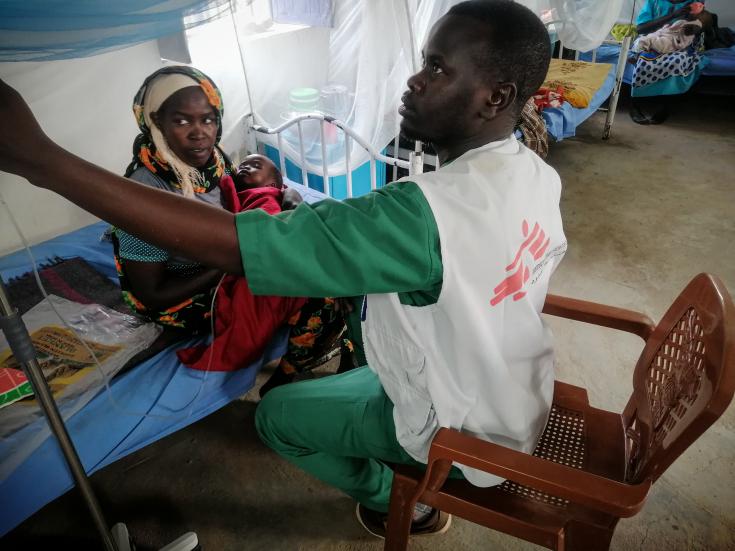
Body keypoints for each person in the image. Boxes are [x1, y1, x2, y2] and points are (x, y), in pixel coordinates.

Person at [0, 0, 565, 539]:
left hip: (462, 427)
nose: (414, 80)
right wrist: (279, 200)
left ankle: (396, 498)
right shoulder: (534, 175)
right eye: (422, 62)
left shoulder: (426, 212)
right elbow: (363, 235)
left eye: (436, 68)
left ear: (496, 97)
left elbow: (249, 244)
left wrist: (41, 160)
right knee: (332, 302)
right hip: (510, 389)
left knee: (277, 418)